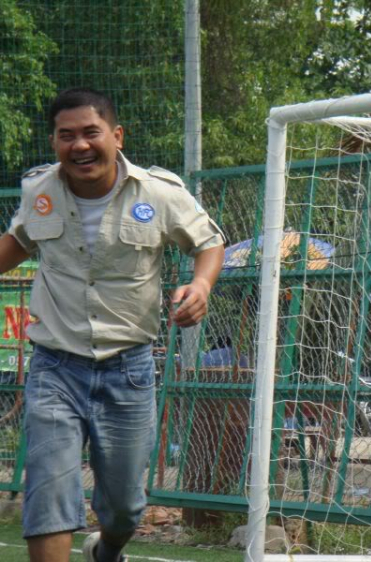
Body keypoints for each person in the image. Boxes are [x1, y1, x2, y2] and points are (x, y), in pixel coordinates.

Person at [0, 88, 226, 562]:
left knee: (124, 507)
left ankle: (107, 551)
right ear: (54, 142)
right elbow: (18, 242)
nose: (79, 145)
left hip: (129, 370)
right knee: (50, 490)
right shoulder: (39, 191)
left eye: (90, 133)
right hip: (54, 368)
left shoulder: (160, 194)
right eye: (66, 136)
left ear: (116, 136)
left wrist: (201, 286)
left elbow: (208, 243)